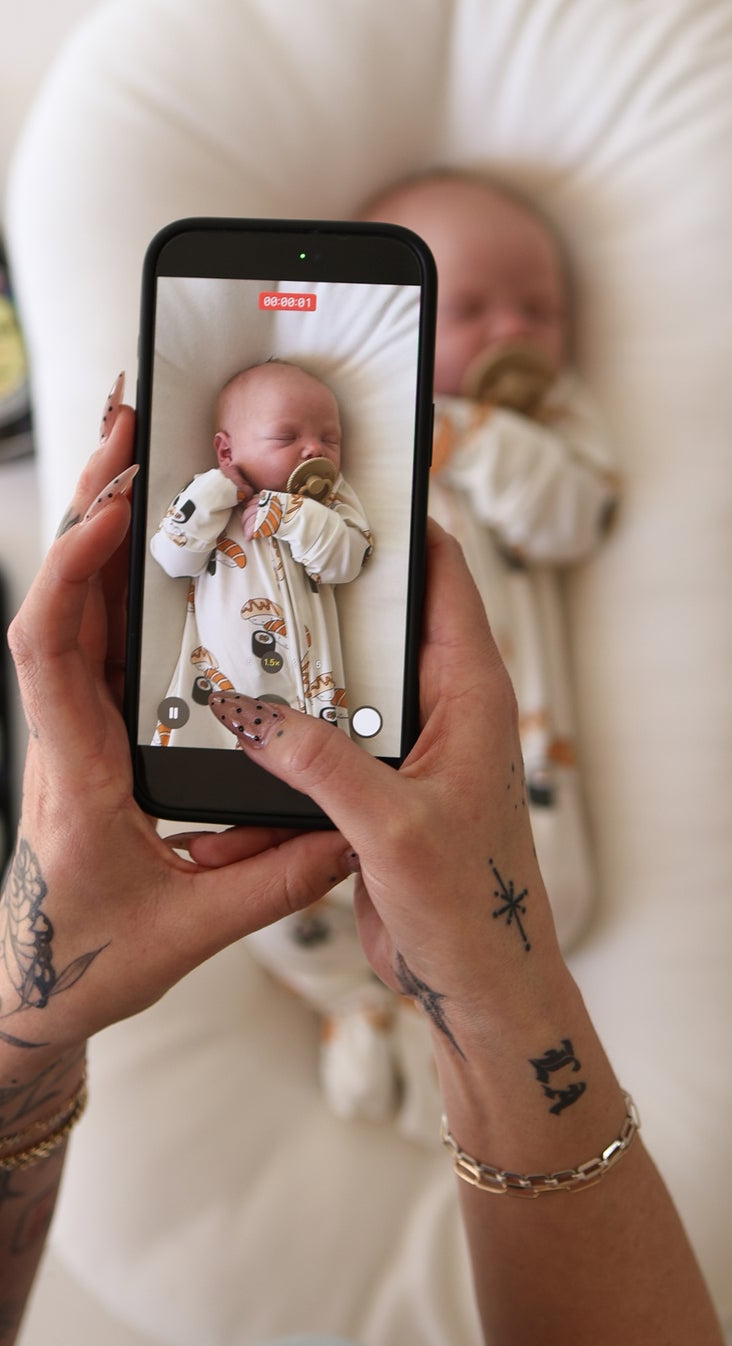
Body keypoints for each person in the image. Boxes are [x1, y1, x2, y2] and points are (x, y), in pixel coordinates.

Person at [0, 385, 732, 1346]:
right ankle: (359, 1015)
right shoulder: (214, 505)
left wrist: (27, 992)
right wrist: (502, 984)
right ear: (224, 440)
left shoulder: (329, 509)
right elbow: (170, 548)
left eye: (318, 423)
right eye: (280, 425)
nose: (305, 437)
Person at [250, 171, 621, 1137]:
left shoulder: (537, 431)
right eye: (470, 309)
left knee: (547, 894)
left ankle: (466, 1021)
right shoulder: (343, 419)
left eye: (539, 309)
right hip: (341, 714)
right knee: (283, 885)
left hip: (499, 741)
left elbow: (576, 516)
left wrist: (467, 430)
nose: (511, 333)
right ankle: (355, 1004)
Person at [149, 359, 371, 745]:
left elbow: (347, 563)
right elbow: (172, 558)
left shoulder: (329, 504)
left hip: (312, 697)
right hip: (216, 688)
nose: (314, 448)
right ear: (226, 450)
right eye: (286, 438)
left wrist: (295, 516)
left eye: (330, 440)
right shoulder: (210, 499)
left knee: (321, 768)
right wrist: (216, 491)